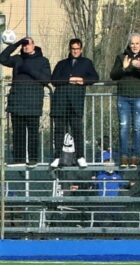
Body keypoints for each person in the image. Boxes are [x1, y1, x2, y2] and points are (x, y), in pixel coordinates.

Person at [0, 36, 51, 166]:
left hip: (33, 103)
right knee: (18, 134)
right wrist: (16, 43)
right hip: (17, 102)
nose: (26, 46)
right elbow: (2, 58)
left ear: (34, 45)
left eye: (28, 44)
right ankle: (19, 159)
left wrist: (29, 70)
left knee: (33, 133)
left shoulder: (43, 61)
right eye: (24, 44)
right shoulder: (17, 59)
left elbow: (45, 79)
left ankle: (33, 159)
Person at [50, 38, 99, 168]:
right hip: (60, 102)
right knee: (59, 130)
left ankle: (80, 156)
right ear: (70, 49)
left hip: (76, 103)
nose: (75, 51)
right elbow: (54, 79)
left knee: (77, 130)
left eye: (77, 49)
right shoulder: (62, 64)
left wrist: (82, 80)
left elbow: (94, 78)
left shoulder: (86, 63)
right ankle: (57, 157)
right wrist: (69, 79)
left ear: (81, 49)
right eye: (73, 49)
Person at [110, 32, 140, 168]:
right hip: (123, 97)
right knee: (124, 127)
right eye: (132, 43)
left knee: (137, 128)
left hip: (139, 97)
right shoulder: (121, 57)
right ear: (129, 44)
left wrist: (139, 67)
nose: (135, 46)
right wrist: (123, 68)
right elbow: (113, 75)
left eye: (137, 43)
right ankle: (124, 156)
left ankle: (135, 156)